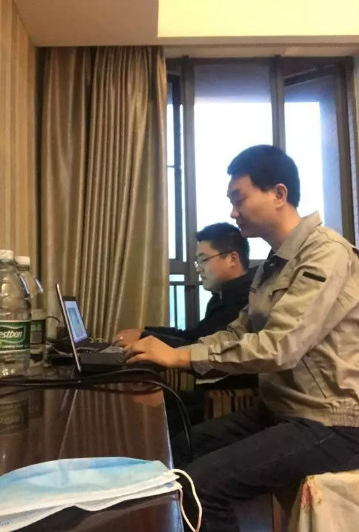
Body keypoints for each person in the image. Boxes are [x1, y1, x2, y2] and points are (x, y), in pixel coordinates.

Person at [124, 145, 359, 532]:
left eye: (239, 199)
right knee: (177, 447)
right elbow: (239, 331)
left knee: (199, 486)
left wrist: (180, 357)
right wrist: (174, 349)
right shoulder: (271, 266)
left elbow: (280, 347)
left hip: (332, 422)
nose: (233, 212)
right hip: (282, 409)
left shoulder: (326, 254)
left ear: (279, 194)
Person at [113, 223, 254, 348]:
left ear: (232, 259)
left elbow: (203, 348)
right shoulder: (220, 297)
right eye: (197, 262)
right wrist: (144, 332)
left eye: (203, 260)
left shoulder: (248, 299)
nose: (198, 269)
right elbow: (192, 335)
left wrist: (143, 338)